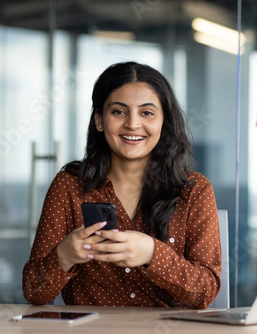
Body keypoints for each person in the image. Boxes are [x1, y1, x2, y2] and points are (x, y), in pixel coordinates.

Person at [22, 61, 221, 308]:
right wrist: (64, 255)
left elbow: (205, 294)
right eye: (119, 111)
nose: (133, 124)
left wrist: (152, 254)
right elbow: (34, 292)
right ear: (99, 120)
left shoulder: (194, 190)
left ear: (164, 122)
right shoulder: (69, 186)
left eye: (147, 113)